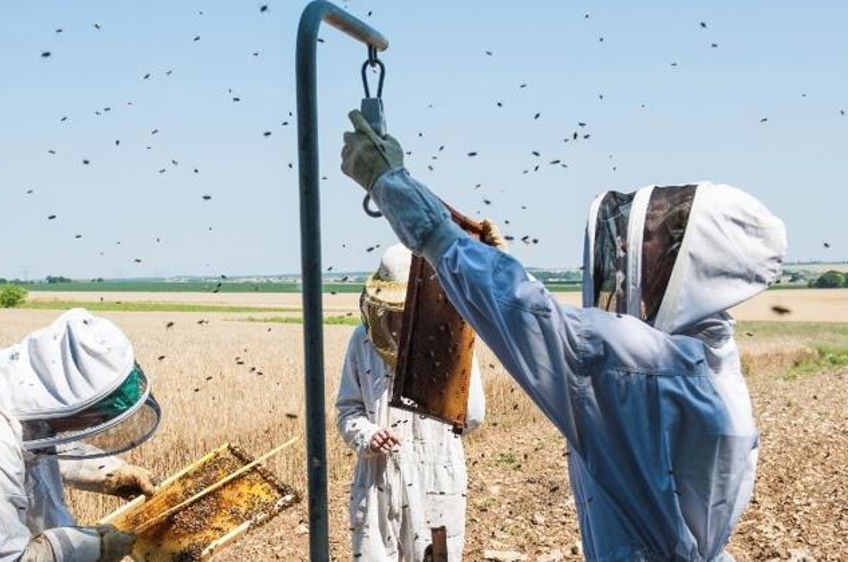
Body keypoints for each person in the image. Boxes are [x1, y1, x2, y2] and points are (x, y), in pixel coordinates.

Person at [340, 111, 787, 561]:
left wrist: (389, 183)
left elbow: (541, 325)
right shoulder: (705, 357)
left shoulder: (645, 370)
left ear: (690, 267)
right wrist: (491, 268)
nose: (629, 256)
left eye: (653, 249)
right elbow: (557, 330)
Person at [0, 309, 163, 562]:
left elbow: (39, 447)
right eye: (98, 414)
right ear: (73, 403)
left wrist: (110, 472)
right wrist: (93, 548)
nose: (99, 422)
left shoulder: (22, 389)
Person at [336, 243, 486, 561]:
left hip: (437, 476)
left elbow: (472, 416)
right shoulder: (362, 342)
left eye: (409, 310)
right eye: (395, 311)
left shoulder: (452, 342)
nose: (402, 320)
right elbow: (348, 410)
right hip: (378, 479)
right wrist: (368, 434)